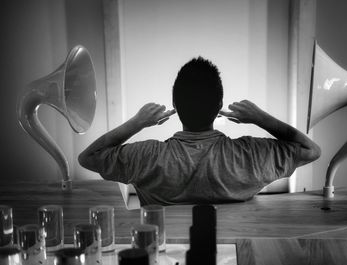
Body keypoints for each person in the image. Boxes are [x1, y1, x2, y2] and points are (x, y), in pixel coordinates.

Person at [78, 57, 320, 205]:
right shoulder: (251, 156)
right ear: (219, 107)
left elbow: (88, 157)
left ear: (175, 106)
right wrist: (260, 118)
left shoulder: (147, 157)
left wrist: (137, 122)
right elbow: (311, 150)